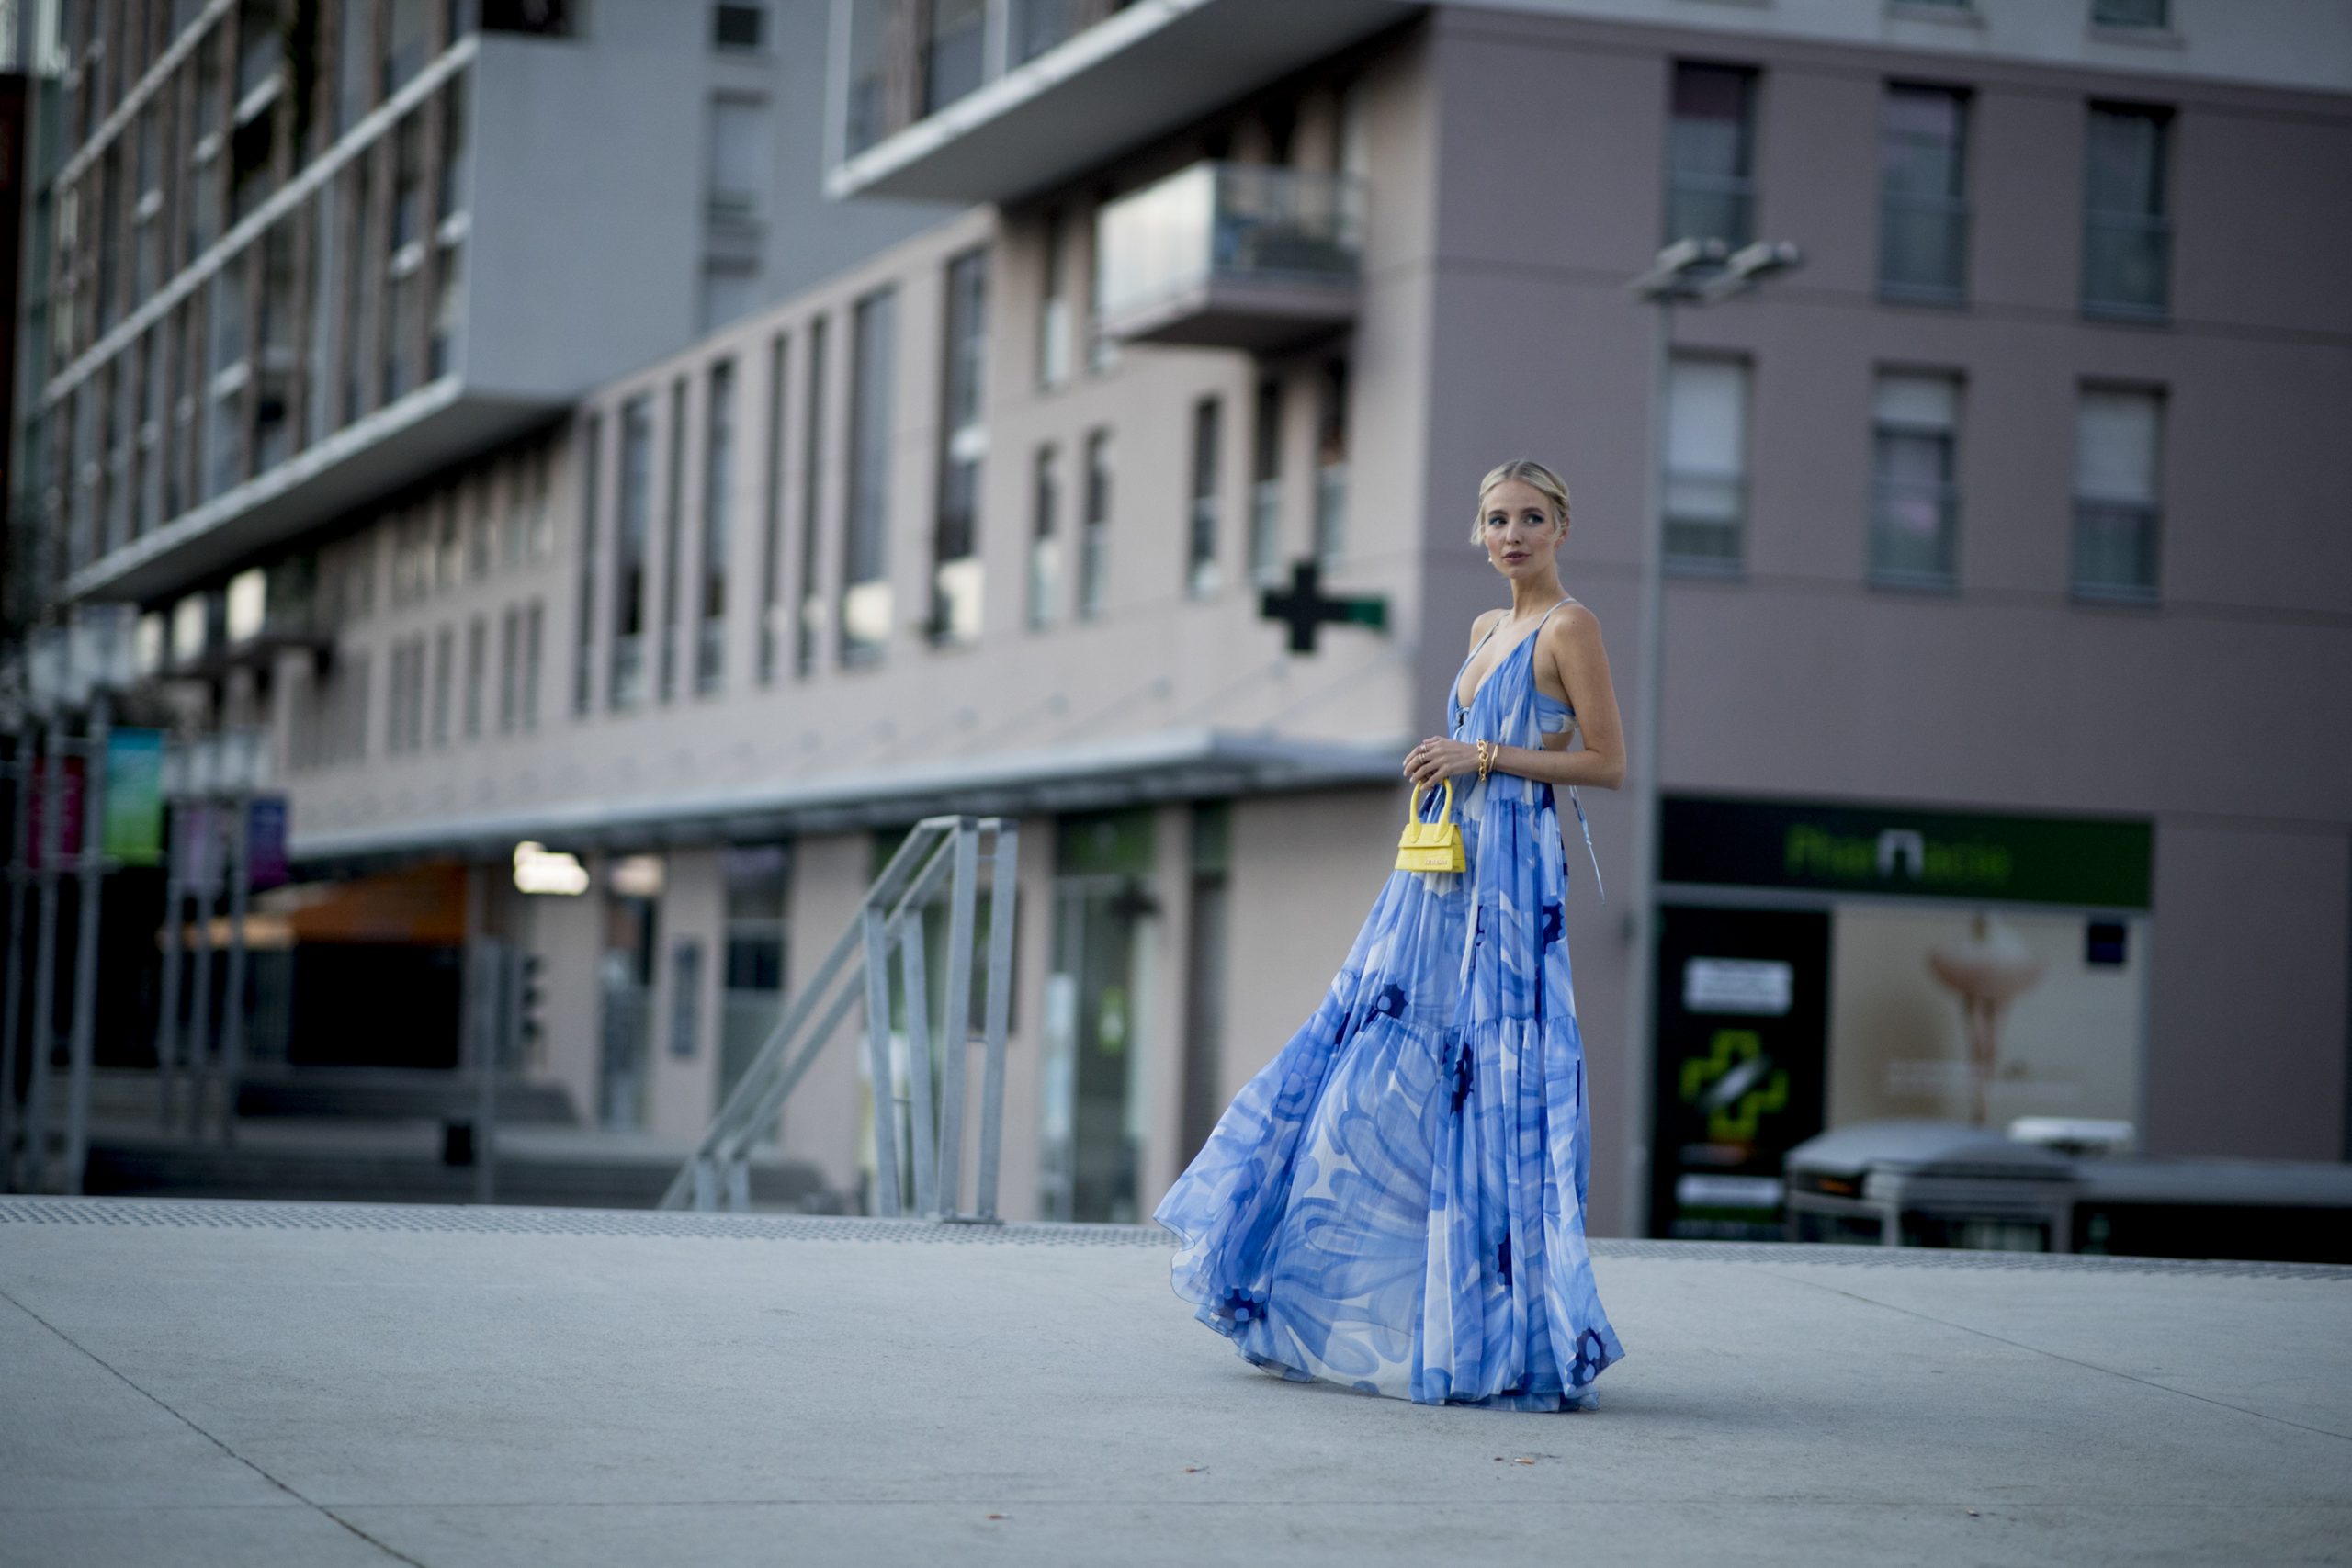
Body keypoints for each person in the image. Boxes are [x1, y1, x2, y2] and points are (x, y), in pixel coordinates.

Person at [1154, 458, 1627, 1410]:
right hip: (1439, 872)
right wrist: (1440, 767)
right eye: (1496, 518)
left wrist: (1480, 752)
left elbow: (1607, 763)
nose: (1512, 535)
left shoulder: (1569, 626)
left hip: (1511, 883)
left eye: (1532, 518)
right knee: (1370, 1056)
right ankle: (1323, 1290)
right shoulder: (1484, 628)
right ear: (1478, 531)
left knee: (1488, 1085)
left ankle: (1494, 1337)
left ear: (1562, 528)